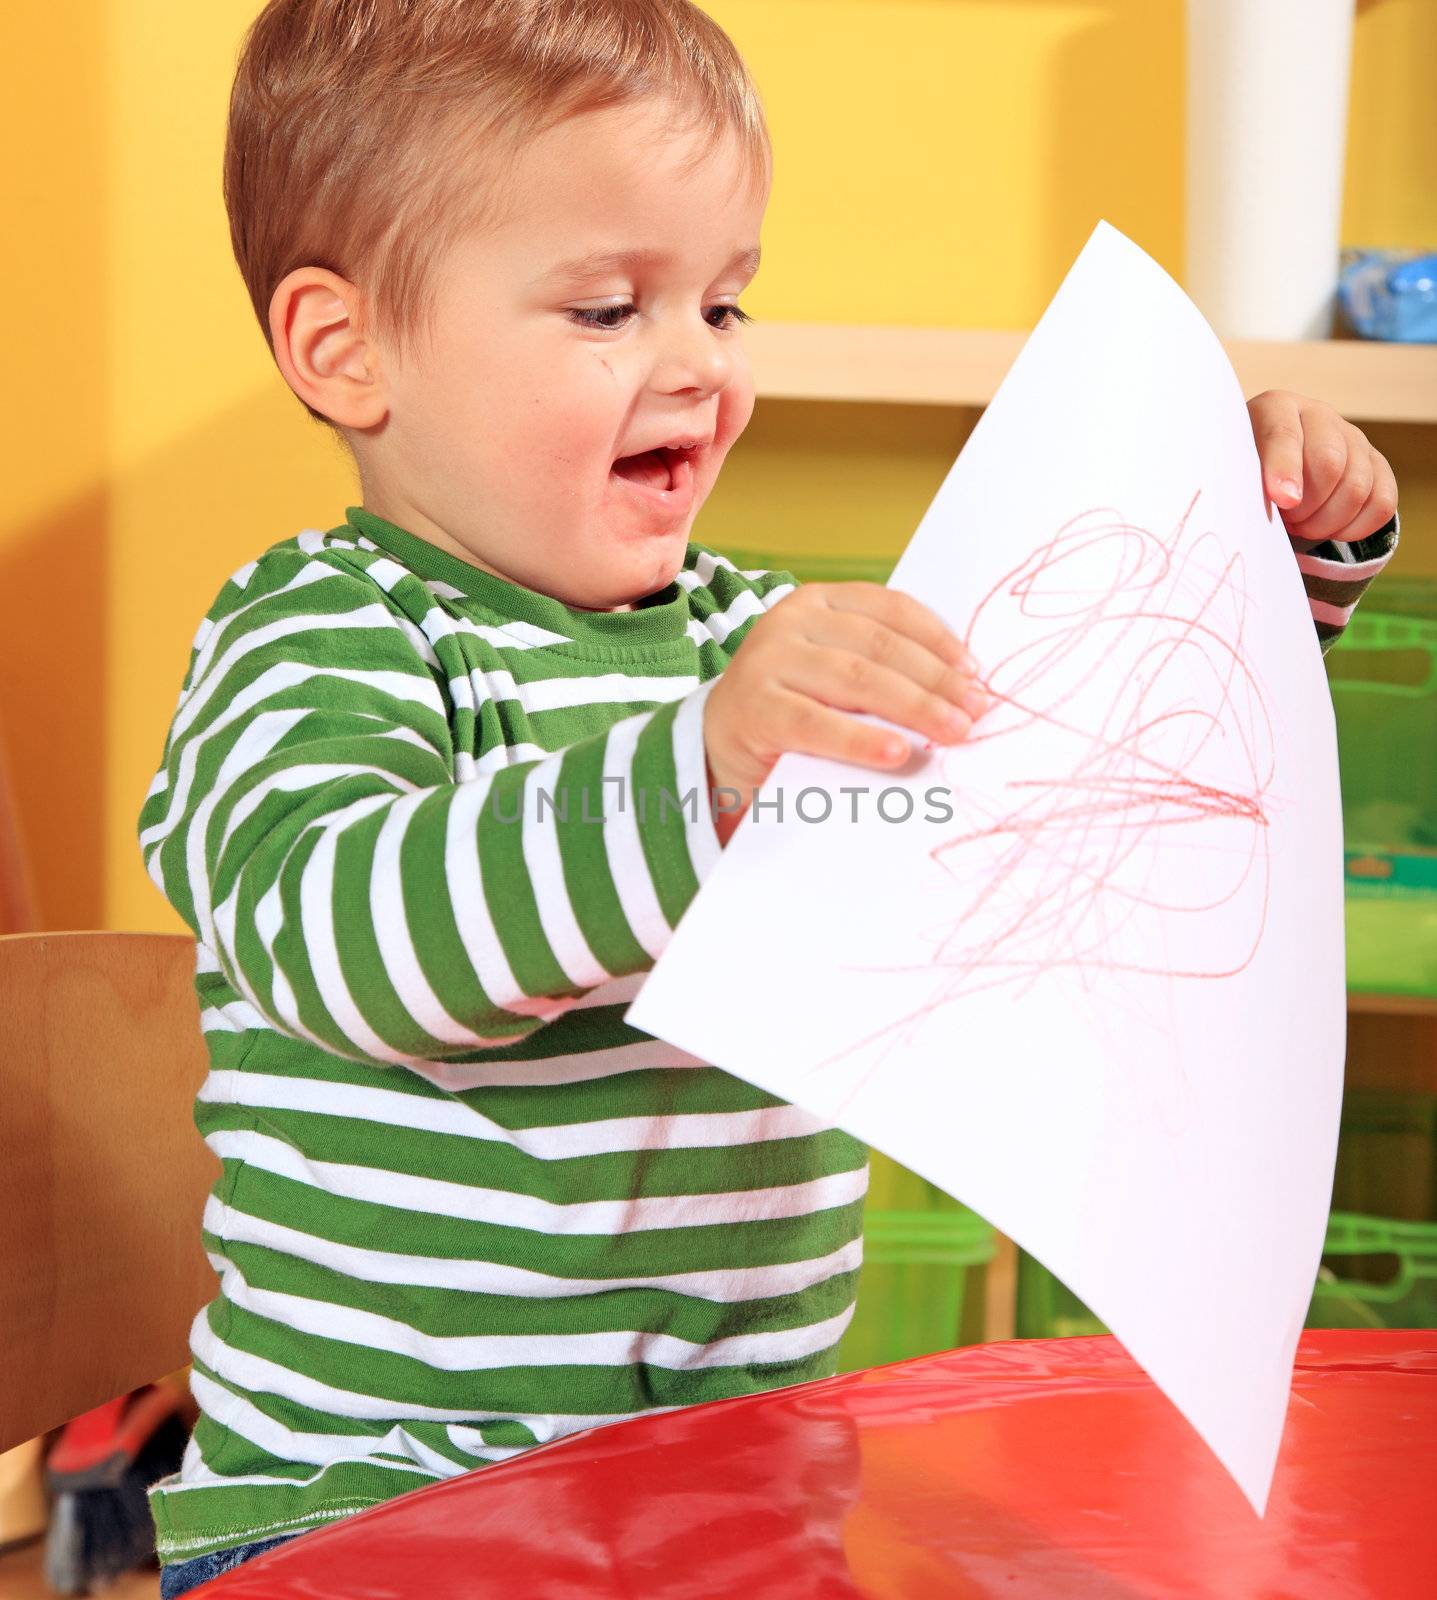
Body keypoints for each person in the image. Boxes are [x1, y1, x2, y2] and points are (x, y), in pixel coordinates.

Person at [140, 1, 1399, 1592]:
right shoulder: (317, 632)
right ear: (348, 349)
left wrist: (1245, 548)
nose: (694, 364)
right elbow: (351, 945)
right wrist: (701, 773)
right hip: (372, 1509)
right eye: (607, 309)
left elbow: (1034, 783)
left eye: (724, 305)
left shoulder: (746, 641)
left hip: (730, 1495)